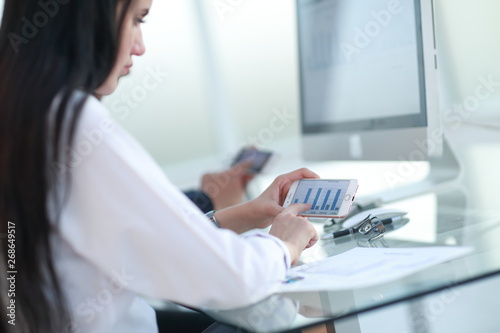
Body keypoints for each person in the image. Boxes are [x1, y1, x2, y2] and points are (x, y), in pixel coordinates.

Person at [0, 1, 319, 333]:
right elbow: (230, 278)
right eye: (137, 20)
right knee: (307, 324)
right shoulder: (72, 123)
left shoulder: (20, 114)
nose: (140, 47)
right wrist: (284, 245)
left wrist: (248, 213)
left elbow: (144, 243)